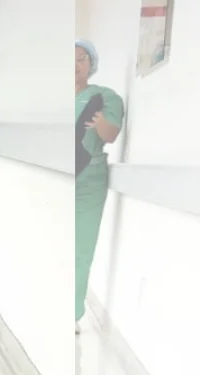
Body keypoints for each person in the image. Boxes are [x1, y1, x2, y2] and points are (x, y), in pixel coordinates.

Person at [75, 39, 123, 330]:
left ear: (91, 65)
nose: (75, 63)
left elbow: (111, 133)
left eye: (82, 58)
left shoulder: (105, 96)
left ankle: (72, 312)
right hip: (58, 172)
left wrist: (100, 123)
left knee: (81, 244)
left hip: (89, 177)